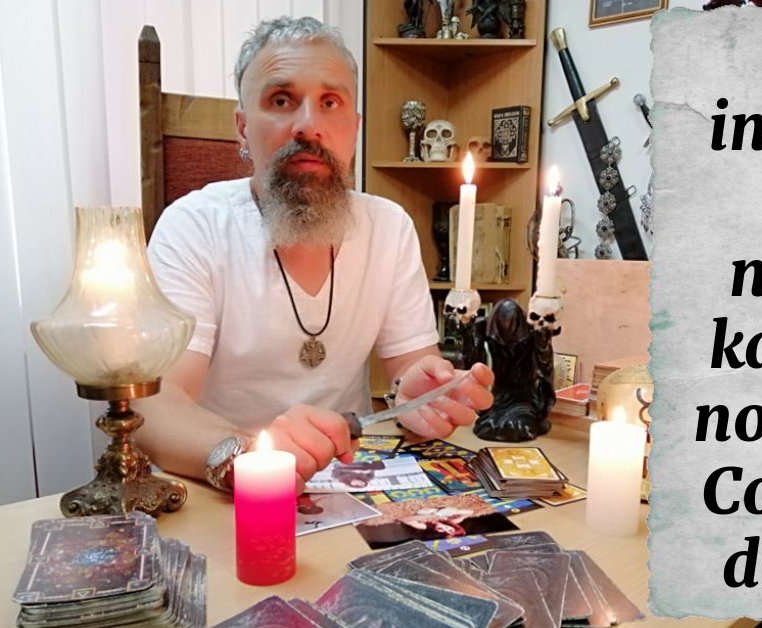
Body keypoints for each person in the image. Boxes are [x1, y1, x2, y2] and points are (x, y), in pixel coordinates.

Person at [135, 16, 494, 492]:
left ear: (354, 128)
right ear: (242, 128)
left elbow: (413, 375)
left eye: (330, 103)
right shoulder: (193, 227)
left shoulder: (389, 227)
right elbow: (153, 407)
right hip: (224, 493)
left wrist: (416, 397)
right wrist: (254, 456)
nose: (309, 126)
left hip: (351, 486)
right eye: (281, 100)